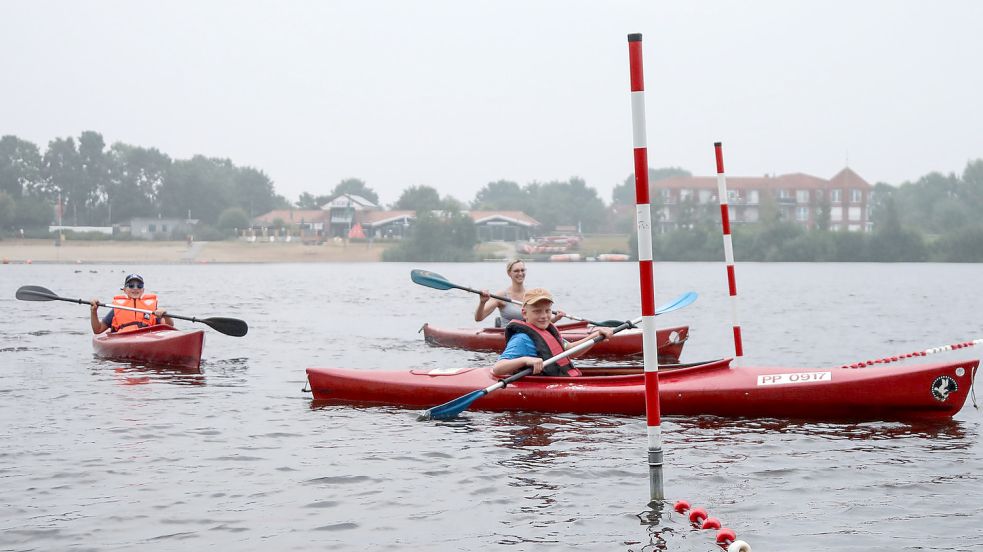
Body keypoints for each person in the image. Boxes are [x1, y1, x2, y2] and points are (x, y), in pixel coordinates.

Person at [492, 288, 612, 377]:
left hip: (563, 380)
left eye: (547, 310)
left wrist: (595, 336)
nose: (544, 316)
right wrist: (525, 360)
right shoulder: (522, 339)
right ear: (524, 313)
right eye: (537, 311)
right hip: (543, 387)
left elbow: (570, 350)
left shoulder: (548, 331)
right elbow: (498, 368)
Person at [475, 259, 564, 326]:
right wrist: (482, 302)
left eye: (522, 270)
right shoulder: (502, 295)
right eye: (516, 271)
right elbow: (479, 318)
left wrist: (556, 318)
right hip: (509, 337)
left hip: (528, 334)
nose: (520, 273)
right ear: (509, 273)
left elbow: (540, 322)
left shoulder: (531, 295)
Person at [90, 274, 173, 334]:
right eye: (131, 285)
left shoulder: (152, 309)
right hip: (123, 338)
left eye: (139, 286)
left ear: (143, 290)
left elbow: (169, 327)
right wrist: (94, 312)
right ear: (125, 290)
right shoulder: (117, 308)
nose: (135, 288)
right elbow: (98, 330)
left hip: (146, 337)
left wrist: (165, 314)